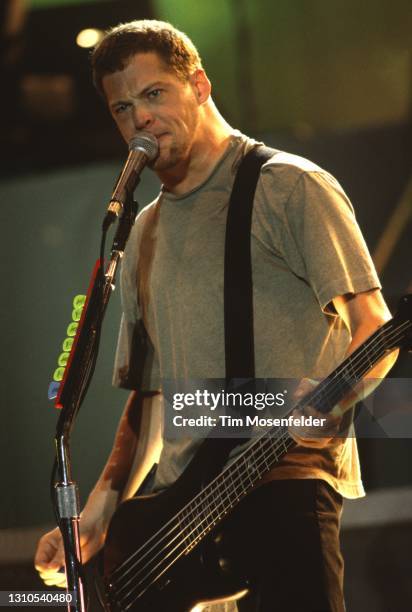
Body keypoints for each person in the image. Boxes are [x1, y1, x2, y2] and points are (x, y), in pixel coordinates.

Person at [35, 20, 398, 611]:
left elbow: (376, 330)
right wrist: (99, 510)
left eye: (155, 94)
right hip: (185, 514)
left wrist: (325, 402)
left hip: (284, 477)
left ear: (200, 85)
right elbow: (152, 398)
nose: (140, 119)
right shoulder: (143, 230)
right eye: (123, 107)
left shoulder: (290, 186)